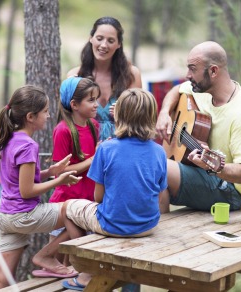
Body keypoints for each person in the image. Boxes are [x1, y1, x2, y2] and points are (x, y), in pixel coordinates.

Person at [60, 88, 168, 291]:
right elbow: (160, 193)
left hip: (113, 225)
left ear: (120, 115)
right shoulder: (159, 151)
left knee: (68, 208)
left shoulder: (106, 148)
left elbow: (98, 197)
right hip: (148, 226)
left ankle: (87, 270)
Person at [156, 41, 241, 214]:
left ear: (213, 71)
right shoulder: (202, 91)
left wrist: (213, 166)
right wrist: (164, 112)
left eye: (193, 69)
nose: (187, 75)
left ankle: (157, 228)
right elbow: (177, 90)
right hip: (200, 173)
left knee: (156, 163)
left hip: (230, 192)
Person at [0, 85, 82, 290]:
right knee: (73, 211)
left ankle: (48, 257)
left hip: (7, 217)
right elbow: (27, 191)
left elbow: (19, 181)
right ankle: (47, 256)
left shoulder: (11, 139)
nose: (49, 116)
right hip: (25, 214)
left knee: (2, 280)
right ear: (31, 116)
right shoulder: (28, 145)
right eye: (45, 111)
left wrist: (50, 172)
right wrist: (59, 181)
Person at [45, 77, 101, 268]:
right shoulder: (63, 131)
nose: (96, 104)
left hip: (87, 203)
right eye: (91, 100)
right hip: (66, 203)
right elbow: (59, 173)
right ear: (74, 104)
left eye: (96, 99)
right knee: (59, 264)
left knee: (76, 266)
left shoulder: (94, 126)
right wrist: (92, 160)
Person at [67, 16, 142, 141]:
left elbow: (141, 118)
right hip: (86, 146)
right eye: (99, 38)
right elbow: (69, 120)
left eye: (111, 41)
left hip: (123, 144)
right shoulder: (75, 75)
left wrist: (124, 112)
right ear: (91, 38)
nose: (103, 45)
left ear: (119, 44)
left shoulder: (131, 74)